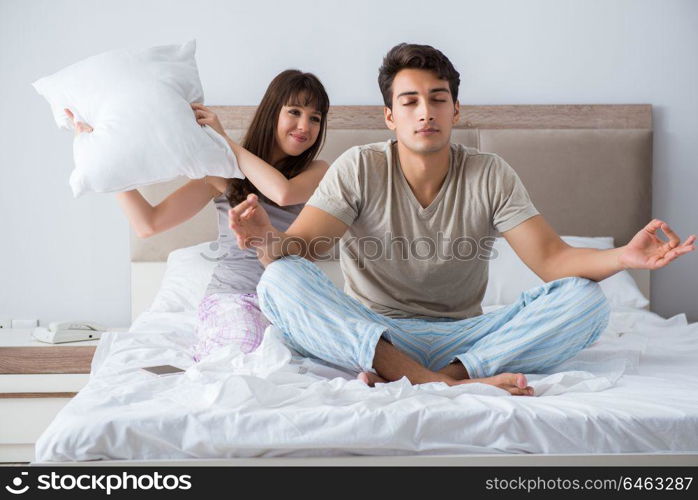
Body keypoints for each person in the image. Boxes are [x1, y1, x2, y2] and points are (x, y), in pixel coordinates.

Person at [227, 43, 696, 396]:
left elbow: (553, 260)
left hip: (470, 335)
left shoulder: (491, 173)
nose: (425, 112)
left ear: (456, 109)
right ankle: (443, 383)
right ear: (390, 116)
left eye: (437, 98)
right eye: (409, 101)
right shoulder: (358, 166)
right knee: (279, 281)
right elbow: (305, 245)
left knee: (588, 302)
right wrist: (268, 239)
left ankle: (444, 376)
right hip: (376, 331)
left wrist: (625, 257)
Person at [65, 69, 331, 361]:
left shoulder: (318, 171)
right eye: (294, 111)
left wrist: (224, 143)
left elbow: (283, 193)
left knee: (315, 358)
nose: (304, 125)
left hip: (291, 301)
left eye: (315, 118)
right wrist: (101, 161)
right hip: (234, 297)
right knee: (241, 357)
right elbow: (148, 223)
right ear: (271, 112)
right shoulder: (219, 173)